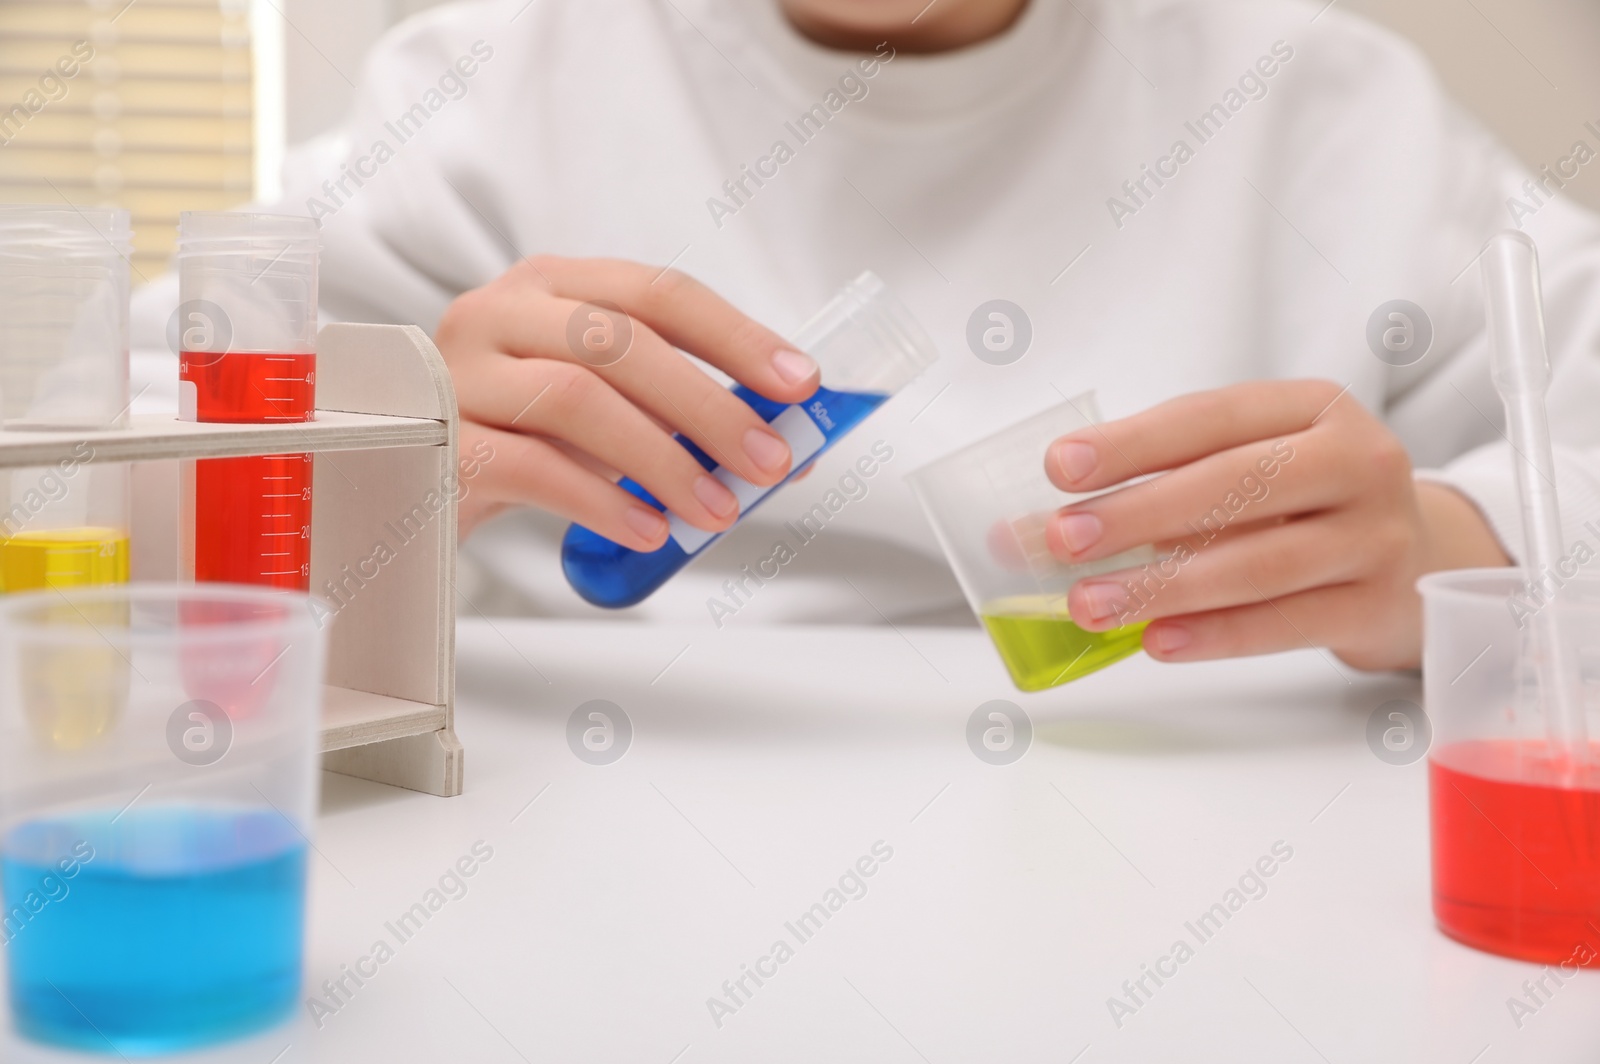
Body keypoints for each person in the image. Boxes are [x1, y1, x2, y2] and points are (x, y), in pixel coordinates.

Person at [132, 0, 1600, 671]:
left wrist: (1452, 550)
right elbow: (109, 492)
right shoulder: (484, 82)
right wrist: (391, 449)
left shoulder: (1320, 98)